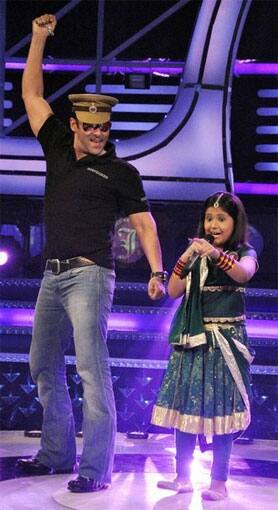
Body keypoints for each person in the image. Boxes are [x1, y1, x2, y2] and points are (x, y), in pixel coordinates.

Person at [16, 14, 167, 493]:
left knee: (91, 369)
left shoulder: (122, 172)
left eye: (104, 128)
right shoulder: (58, 145)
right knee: (42, 363)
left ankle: (95, 470)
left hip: (89, 276)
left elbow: (145, 224)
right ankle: (58, 453)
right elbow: (32, 96)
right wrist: (39, 38)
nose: (99, 135)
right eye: (91, 128)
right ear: (75, 124)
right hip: (51, 276)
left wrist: (158, 271)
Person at [151, 191, 258, 501]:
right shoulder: (195, 254)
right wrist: (186, 258)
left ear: (235, 223)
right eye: (209, 218)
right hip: (191, 340)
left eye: (221, 219)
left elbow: (244, 274)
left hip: (224, 342)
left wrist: (214, 254)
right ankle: (182, 477)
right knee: (185, 408)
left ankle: (219, 483)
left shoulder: (244, 251)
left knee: (222, 412)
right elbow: (173, 291)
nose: (214, 224)